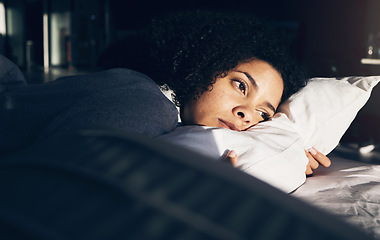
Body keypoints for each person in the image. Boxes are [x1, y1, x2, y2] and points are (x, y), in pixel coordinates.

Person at [0, 10, 329, 175]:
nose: (246, 114)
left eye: (263, 113)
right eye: (240, 85)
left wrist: (283, 157)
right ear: (204, 64)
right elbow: (55, 183)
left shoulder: (169, 111)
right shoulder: (145, 103)